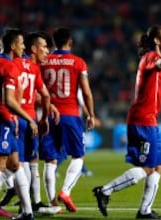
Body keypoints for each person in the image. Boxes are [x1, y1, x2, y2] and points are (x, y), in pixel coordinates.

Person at [92, 23, 161, 219]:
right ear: (157, 41)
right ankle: (105, 191)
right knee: (148, 167)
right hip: (142, 121)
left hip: (149, 120)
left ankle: (145, 211)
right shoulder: (150, 58)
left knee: (158, 164)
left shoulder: (160, 60)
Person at [0, 28, 38, 220]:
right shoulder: (9, 66)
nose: (24, 47)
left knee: (15, 164)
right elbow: (9, 100)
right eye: (22, 43)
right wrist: (29, 118)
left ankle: (27, 212)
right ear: (13, 45)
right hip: (1, 118)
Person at [39, 27, 95, 212]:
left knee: (50, 160)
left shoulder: (44, 61)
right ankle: (66, 191)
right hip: (70, 114)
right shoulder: (78, 62)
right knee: (78, 156)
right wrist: (91, 114)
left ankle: (52, 203)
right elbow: (86, 92)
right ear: (70, 42)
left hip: (48, 115)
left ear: (53, 43)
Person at [10, 32, 61, 215]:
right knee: (18, 164)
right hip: (25, 119)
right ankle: (30, 205)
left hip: (18, 118)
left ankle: (34, 204)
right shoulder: (31, 68)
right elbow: (43, 95)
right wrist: (44, 117)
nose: (48, 51)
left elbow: (30, 94)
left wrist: (49, 106)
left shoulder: (15, 63)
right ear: (33, 48)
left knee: (24, 162)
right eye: (44, 47)